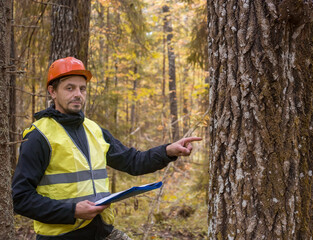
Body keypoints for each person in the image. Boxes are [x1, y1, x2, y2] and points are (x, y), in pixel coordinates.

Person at [12, 57, 202, 240]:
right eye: (69, 88)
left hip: (100, 231)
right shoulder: (39, 136)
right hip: (61, 236)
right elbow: (21, 198)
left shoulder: (94, 130)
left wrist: (168, 150)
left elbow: (132, 162)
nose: (78, 94)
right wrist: (72, 211)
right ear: (52, 92)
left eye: (82, 88)